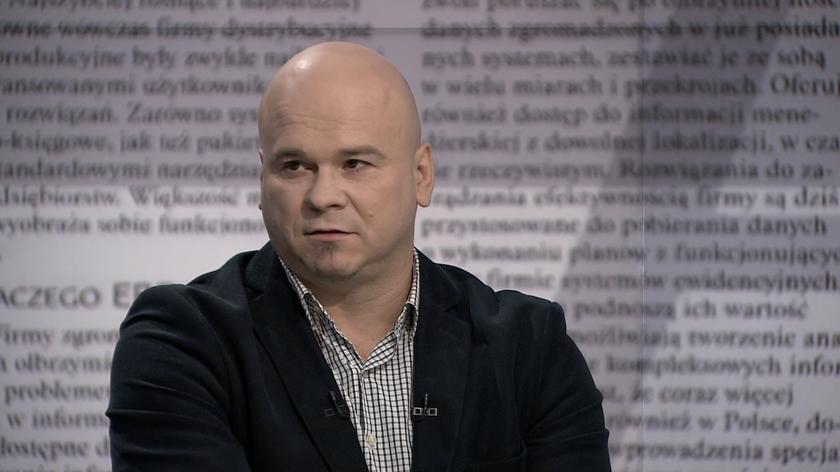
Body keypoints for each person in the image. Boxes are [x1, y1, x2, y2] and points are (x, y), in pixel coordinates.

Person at [107, 42, 611, 472]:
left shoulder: (529, 346)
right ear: (262, 181)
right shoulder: (181, 340)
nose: (323, 196)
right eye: (294, 166)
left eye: (354, 163)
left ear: (421, 176)